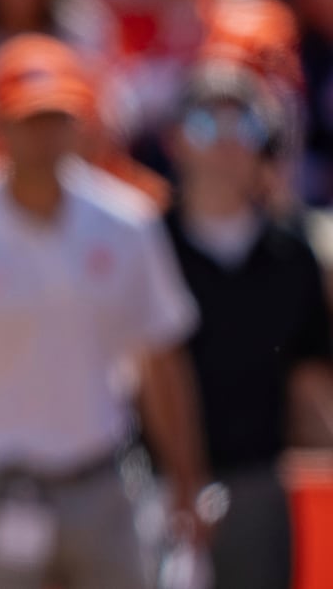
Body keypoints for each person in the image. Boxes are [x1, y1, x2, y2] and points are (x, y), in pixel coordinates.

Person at [0, 34, 206, 589]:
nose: (43, 136)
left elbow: (161, 361)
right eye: (28, 120)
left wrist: (186, 480)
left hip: (101, 482)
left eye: (56, 117)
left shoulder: (126, 224)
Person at [159, 62, 333, 589]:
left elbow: (309, 381)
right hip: (156, 490)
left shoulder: (293, 253)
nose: (227, 144)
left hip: (260, 486)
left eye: (244, 126)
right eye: (206, 126)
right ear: (175, 140)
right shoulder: (144, 245)